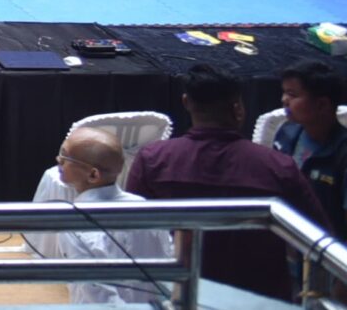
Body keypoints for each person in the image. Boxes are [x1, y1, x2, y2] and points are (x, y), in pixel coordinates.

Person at [127, 64, 330, 301]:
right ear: (238, 108)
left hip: (180, 296)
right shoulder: (279, 167)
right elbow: (320, 236)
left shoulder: (153, 159)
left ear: (186, 102)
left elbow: (130, 231)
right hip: (260, 301)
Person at [27, 127, 171, 306]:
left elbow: (96, 292)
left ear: (93, 174)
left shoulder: (75, 221)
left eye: (65, 157)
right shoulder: (144, 207)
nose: (58, 160)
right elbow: (166, 260)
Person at [274, 61, 347, 260]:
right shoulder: (286, 135)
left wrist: (337, 281)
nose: (284, 100)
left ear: (322, 104)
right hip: (287, 258)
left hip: (325, 265)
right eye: (284, 93)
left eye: (293, 95)